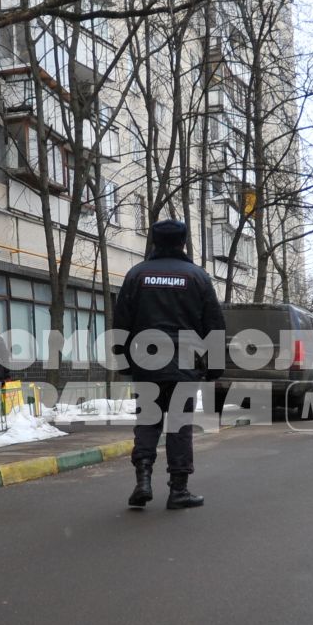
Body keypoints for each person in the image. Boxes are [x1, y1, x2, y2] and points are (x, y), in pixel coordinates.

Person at [113, 218, 225, 510]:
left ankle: (143, 480)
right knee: (179, 424)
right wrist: (214, 365)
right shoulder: (197, 276)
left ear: (154, 242)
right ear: (183, 242)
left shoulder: (137, 275)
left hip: (145, 360)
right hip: (184, 362)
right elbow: (213, 324)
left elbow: (121, 321)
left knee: (148, 421)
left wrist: (123, 360)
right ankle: (178, 491)